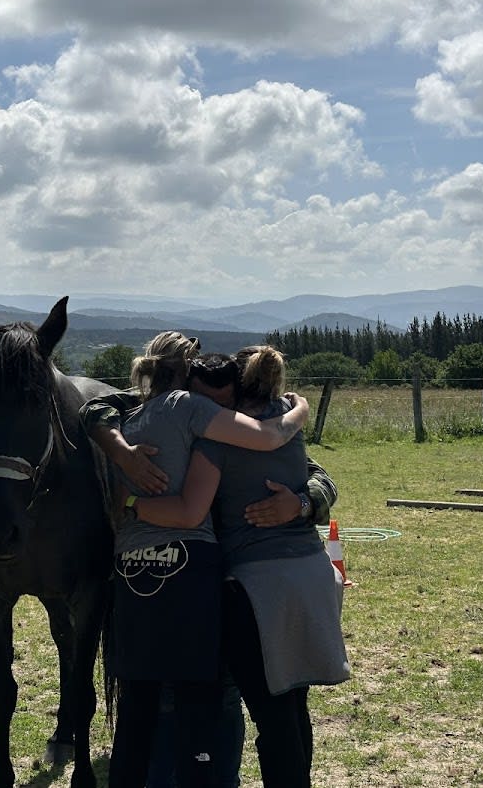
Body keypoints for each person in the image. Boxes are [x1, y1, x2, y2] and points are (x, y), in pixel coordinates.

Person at [81, 332, 310, 788]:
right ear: (189, 372)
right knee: (197, 703)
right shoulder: (193, 407)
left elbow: (93, 412)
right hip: (191, 566)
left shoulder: (134, 416)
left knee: (137, 707)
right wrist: (299, 408)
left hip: (132, 565)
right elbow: (269, 439)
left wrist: (127, 500)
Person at [118, 345, 349, 788]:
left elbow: (190, 510)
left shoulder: (218, 439)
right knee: (291, 709)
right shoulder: (278, 415)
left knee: (272, 712)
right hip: (303, 574)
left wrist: (301, 503)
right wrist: (300, 409)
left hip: (247, 586)